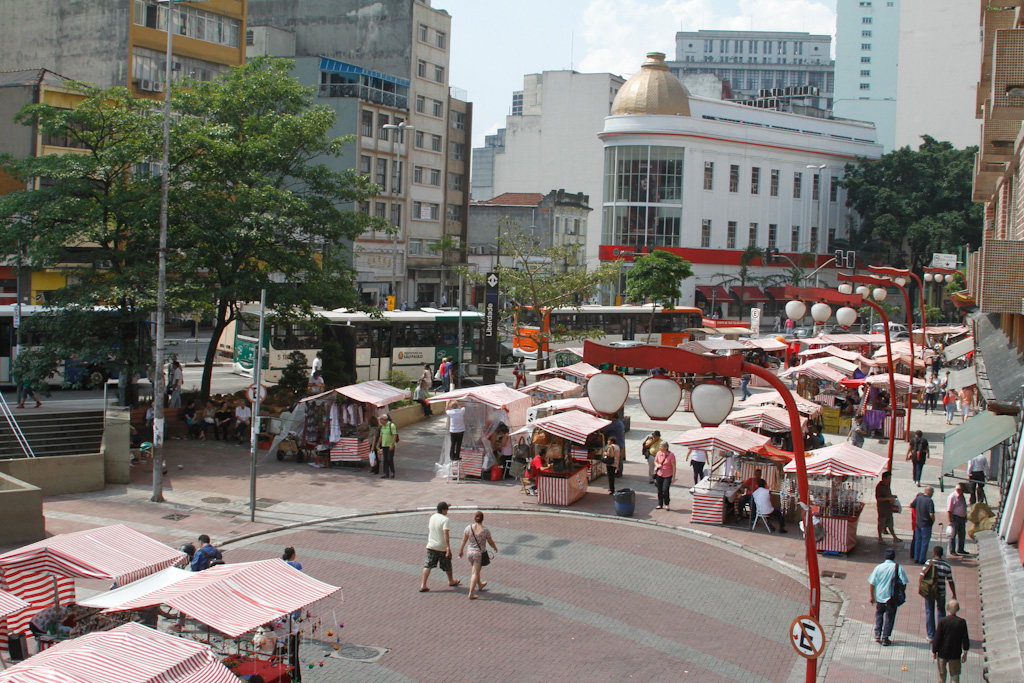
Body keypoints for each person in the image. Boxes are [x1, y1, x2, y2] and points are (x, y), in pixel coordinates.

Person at [868, 548, 908, 646]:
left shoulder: (878, 567)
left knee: (879, 614)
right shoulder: (898, 567)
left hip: (880, 596)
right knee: (890, 616)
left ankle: (877, 633)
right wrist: (901, 592)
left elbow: (872, 583)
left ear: (885, 557)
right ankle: (885, 638)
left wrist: (872, 596)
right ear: (894, 557)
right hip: (891, 597)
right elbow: (904, 582)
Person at [419, 501, 460, 592]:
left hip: (431, 545)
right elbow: (445, 532)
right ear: (444, 510)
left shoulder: (432, 517)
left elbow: (429, 529)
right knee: (447, 564)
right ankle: (451, 581)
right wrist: (448, 547)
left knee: (428, 565)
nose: (447, 511)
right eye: (447, 509)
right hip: (442, 547)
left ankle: (423, 584)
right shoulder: (445, 519)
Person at [458, 510, 498, 600]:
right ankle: (471, 593)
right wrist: (495, 547)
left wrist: (461, 550)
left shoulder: (468, 528)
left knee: (475, 569)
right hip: (478, 554)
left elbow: (463, 540)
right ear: (482, 519)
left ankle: (480, 584)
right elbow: (490, 541)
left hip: (470, 553)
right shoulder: (485, 530)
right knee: (474, 573)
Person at [922, 546, 956, 642]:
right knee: (941, 612)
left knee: (929, 612)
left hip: (929, 591)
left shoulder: (928, 563)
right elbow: (950, 581)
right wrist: (954, 593)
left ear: (934, 553)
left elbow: (922, 576)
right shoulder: (946, 566)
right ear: (942, 554)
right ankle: (941, 634)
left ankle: (931, 635)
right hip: (941, 592)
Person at [932, 599, 970, 683]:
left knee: (941, 675)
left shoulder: (942, 621)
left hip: (942, 652)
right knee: (955, 675)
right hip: (955, 653)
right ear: (958, 609)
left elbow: (937, 638)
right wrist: (965, 652)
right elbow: (965, 638)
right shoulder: (961, 622)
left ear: (947, 608)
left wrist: (934, 651)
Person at [911, 487, 936, 563]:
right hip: (926, 524)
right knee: (924, 542)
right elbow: (931, 514)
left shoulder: (918, 498)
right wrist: (933, 521)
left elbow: (912, 505)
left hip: (918, 523)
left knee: (918, 541)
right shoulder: (930, 501)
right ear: (930, 493)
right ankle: (922, 559)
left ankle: (916, 557)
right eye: (932, 493)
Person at [875, 471, 900, 543]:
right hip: (883, 509)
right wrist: (888, 499)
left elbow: (888, 495)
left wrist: (892, 496)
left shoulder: (887, 486)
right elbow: (878, 498)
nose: (889, 480)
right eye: (888, 478)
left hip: (889, 508)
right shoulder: (879, 487)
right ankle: (880, 538)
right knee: (881, 523)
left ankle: (894, 537)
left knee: (890, 523)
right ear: (884, 478)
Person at [946, 483, 969, 557]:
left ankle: (960, 549)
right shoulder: (952, 497)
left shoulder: (962, 496)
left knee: (962, 534)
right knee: (953, 534)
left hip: (962, 518)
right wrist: (950, 521)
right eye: (962, 490)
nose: (963, 491)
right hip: (955, 517)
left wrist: (965, 516)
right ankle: (952, 550)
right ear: (958, 490)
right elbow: (949, 510)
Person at [653, 442, 675, 510]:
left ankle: (667, 503)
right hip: (659, 474)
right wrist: (657, 465)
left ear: (666, 447)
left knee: (665, 489)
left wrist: (674, 476)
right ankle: (660, 504)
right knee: (659, 489)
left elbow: (674, 466)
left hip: (668, 474)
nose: (660, 448)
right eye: (660, 446)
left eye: (661, 446)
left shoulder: (671, 455)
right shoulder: (658, 453)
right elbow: (655, 461)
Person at [379, 414, 398, 479]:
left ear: (384, 420)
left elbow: (395, 435)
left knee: (389, 459)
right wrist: (378, 443)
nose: (380, 421)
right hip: (384, 445)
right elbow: (381, 436)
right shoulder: (382, 427)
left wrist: (392, 444)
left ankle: (392, 471)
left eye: (381, 420)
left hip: (390, 445)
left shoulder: (391, 425)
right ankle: (386, 473)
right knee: (385, 459)